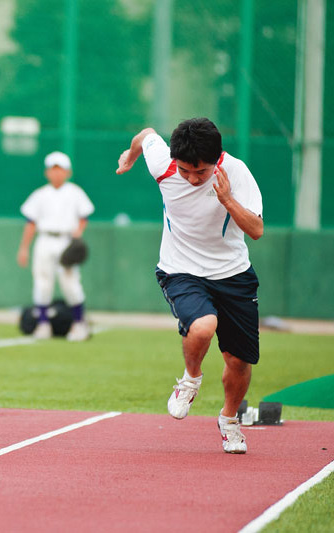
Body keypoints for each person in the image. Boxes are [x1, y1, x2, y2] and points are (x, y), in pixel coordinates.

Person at [116, 117, 264, 454]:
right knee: (202, 326)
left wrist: (227, 199)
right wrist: (130, 154)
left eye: (201, 172)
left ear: (217, 159)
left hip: (233, 274)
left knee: (239, 362)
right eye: (185, 171)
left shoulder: (235, 172)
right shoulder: (163, 161)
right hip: (180, 269)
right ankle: (191, 378)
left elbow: (256, 230)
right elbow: (146, 134)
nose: (193, 179)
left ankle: (229, 420)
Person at [17, 151, 94, 341]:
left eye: (61, 169)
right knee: (43, 284)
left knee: (71, 283)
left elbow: (84, 217)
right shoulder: (40, 194)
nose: (57, 173)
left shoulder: (75, 192)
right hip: (44, 239)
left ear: (68, 172)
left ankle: (78, 324)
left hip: (66, 240)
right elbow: (31, 223)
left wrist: (78, 233)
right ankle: (43, 325)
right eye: (53, 169)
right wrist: (24, 247)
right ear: (47, 172)